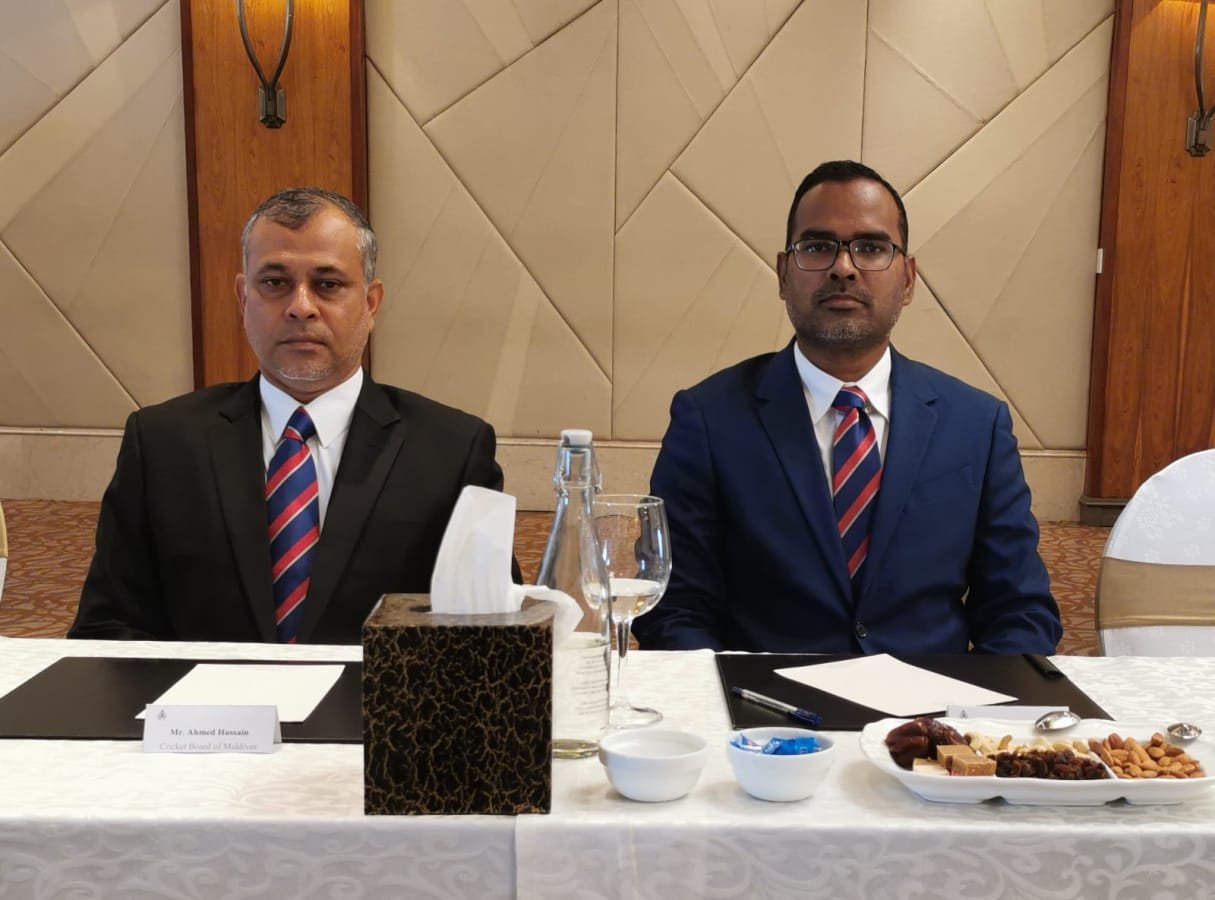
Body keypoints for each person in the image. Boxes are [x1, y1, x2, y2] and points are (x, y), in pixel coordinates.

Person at [634, 160, 1062, 655]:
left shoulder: (977, 425)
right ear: (783, 273)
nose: (843, 267)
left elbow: (1019, 610)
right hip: (764, 700)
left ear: (908, 279)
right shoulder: (709, 419)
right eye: (817, 247)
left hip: (930, 697)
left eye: (872, 248)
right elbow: (674, 608)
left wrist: (972, 704)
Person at [70, 187, 509, 643]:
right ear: (243, 298)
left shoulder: (451, 451)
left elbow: (491, 638)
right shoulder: (162, 443)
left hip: (377, 692)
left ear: (371, 302)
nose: (301, 306)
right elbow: (107, 630)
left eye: (328, 284)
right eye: (275, 283)